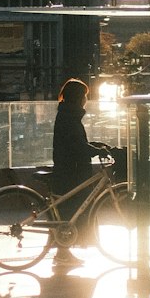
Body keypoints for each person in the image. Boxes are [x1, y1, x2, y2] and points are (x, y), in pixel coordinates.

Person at [50, 78, 106, 263]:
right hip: (71, 172)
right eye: (85, 96)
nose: (86, 100)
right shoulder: (70, 117)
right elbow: (76, 146)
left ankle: (62, 251)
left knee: (69, 211)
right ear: (79, 97)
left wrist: (95, 146)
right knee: (71, 211)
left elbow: (76, 143)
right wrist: (96, 151)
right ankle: (63, 251)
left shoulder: (66, 114)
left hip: (69, 170)